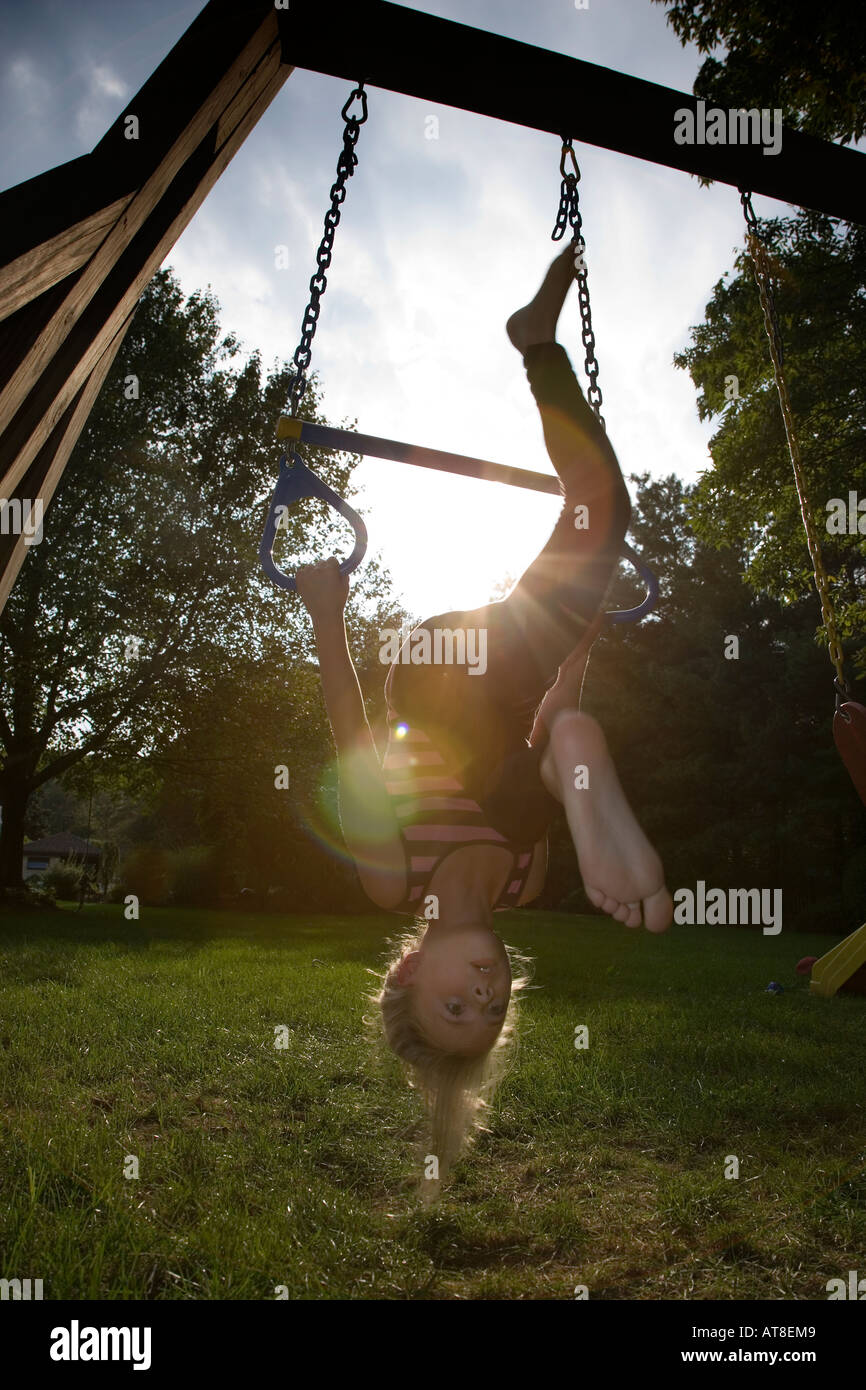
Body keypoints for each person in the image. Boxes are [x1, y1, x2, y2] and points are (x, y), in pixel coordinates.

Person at [295, 242, 673, 1187]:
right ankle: (538, 346)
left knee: (511, 758)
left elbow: (351, 738)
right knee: (598, 509)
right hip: (514, 690)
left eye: (454, 1008)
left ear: (409, 974)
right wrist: (578, 635)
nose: (484, 996)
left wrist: (326, 616)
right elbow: (546, 720)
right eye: (494, 1012)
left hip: (429, 679)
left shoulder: (393, 877)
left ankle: (533, 337)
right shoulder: (524, 883)